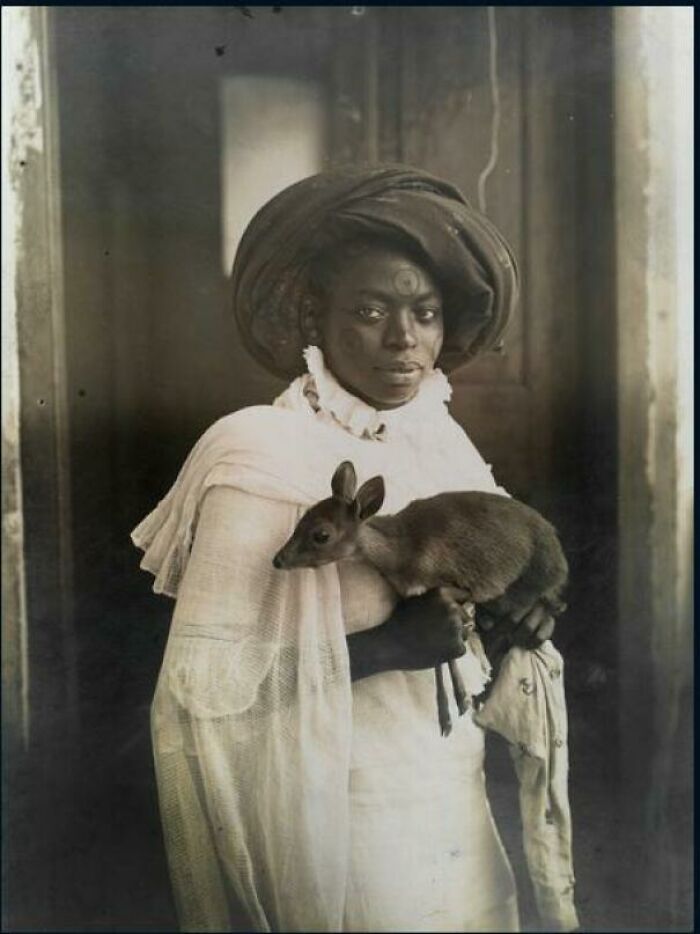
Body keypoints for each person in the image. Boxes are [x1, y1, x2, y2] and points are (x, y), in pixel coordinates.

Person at [132, 165, 572, 933]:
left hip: (454, 801)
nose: (405, 339)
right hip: (340, 819)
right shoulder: (256, 451)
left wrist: (519, 617)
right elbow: (202, 697)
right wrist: (384, 648)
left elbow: (487, 592)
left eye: (426, 313)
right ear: (314, 313)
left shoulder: (443, 441)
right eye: (371, 310)